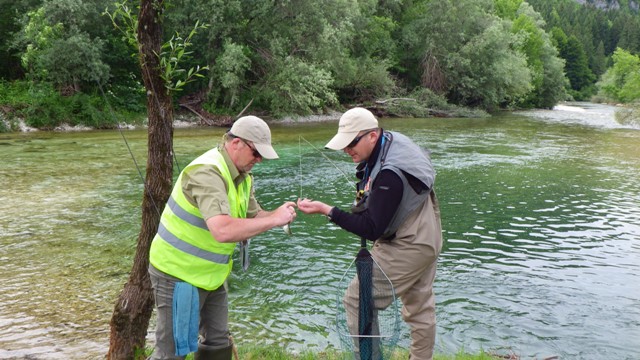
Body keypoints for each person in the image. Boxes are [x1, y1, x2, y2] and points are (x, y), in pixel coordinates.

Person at [297, 107, 443, 360]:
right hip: (428, 232)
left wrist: (326, 210)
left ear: (372, 136)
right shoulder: (392, 142)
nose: (346, 150)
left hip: (408, 242)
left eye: (352, 142)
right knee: (419, 308)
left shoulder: (390, 174)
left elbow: (370, 228)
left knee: (357, 300)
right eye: (344, 144)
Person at [148, 115, 297, 360]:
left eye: (262, 156)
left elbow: (255, 215)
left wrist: (278, 213)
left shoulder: (242, 176)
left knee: (217, 342)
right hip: (178, 275)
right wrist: (274, 220)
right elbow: (222, 230)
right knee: (172, 353)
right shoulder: (206, 172)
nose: (258, 160)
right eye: (256, 153)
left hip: (212, 275)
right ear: (236, 143)